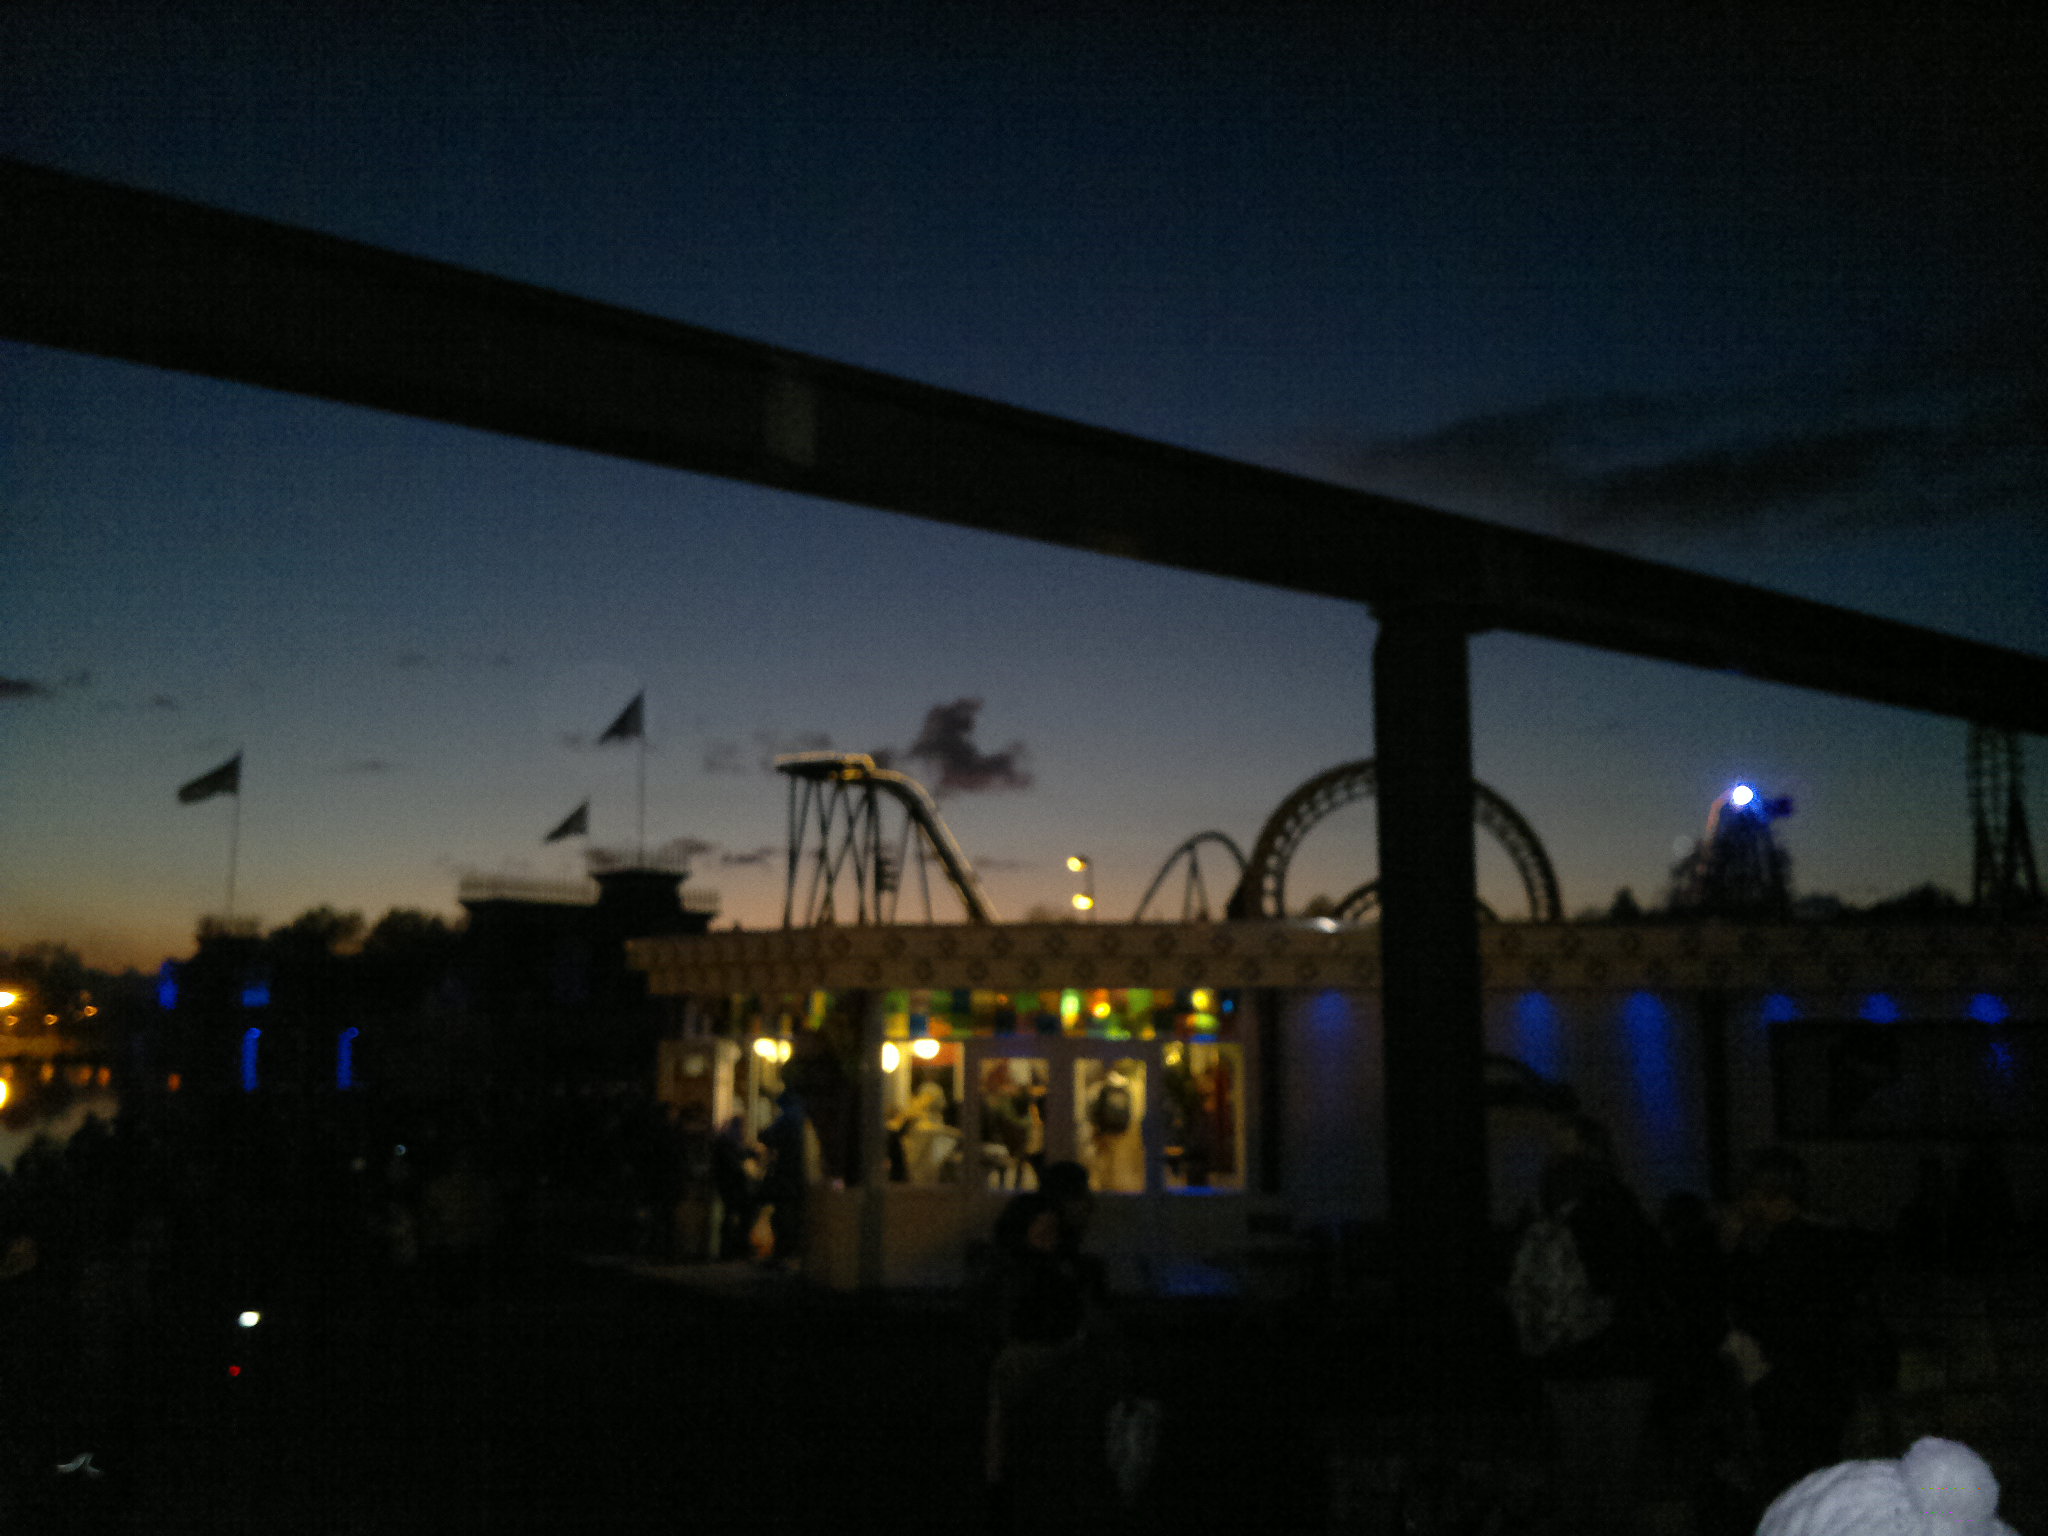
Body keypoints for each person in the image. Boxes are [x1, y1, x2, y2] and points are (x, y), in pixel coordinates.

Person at [1507, 1149, 1668, 1536]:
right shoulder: (1627, 1220)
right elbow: (1655, 1281)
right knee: (1618, 1466)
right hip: (1625, 1357)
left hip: (1563, 1356)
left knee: (1575, 1458)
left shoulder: (1541, 1224)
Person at [1721, 1147, 1887, 1512]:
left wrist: (1733, 1253)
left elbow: (1755, 1310)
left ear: (1773, 1197)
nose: (1744, 1205)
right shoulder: (1828, 1240)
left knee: (1792, 1489)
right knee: (1817, 1484)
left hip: (1792, 1388)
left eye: (1751, 1195)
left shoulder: (1784, 1249)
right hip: (1828, 1384)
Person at [984, 1161, 1126, 1536]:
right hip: (1039, 1344)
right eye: (1082, 1196)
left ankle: (1003, 1484)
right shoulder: (1046, 1231)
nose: (1090, 1204)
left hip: (1026, 1342)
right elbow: (1049, 1297)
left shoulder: (1032, 1225)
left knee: (1009, 1418)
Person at [754, 1090, 809, 1270]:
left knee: (783, 1215)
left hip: (787, 1173)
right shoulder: (802, 1117)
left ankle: (782, 1253)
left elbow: (768, 1136)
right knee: (795, 1215)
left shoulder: (788, 1117)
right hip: (800, 1174)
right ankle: (793, 1252)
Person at [709, 1115, 758, 1261]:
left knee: (732, 1215)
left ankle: (731, 1248)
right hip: (732, 1185)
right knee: (741, 1214)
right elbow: (734, 1162)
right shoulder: (727, 1142)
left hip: (728, 1185)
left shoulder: (726, 1141)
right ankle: (734, 1248)